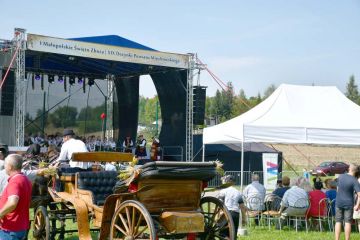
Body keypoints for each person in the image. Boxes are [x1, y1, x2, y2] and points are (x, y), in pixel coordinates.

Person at [0, 154, 32, 240]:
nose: (4, 167)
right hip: (20, 227)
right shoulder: (25, 179)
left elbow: (12, 202)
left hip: (10, 229)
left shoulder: (15, 181)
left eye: (5, 165)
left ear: (10, 167)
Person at [335, 163, 360, 240]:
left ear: (349, 168)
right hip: (349, 203)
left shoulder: (340, 176)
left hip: (338, 202)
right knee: (347, 222)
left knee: (338, 221)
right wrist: (357, 205)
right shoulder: (354, 180)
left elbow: (337, 189)